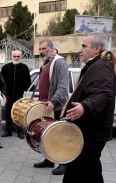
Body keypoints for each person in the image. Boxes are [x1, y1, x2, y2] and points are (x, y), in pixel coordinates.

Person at [44, 32, 116, 183]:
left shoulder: (101, 66)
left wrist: (85, 106)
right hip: (93, 132)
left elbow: (104, 93)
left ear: (96, 48)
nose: (80, 49)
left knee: (74, 176)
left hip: (90, 133)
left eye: (84, 46)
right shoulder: (98, 65)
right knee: (93, 175)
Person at [33, 39, 69, 175]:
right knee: (47, 135)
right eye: (40, 49)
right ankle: (49, 160)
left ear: (51, 48)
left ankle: (63, 163)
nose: (41, 51)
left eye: (43, 49)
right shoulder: (46, 64)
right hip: (46, 106)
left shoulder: (60, 63)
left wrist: (53, 101)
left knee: (60, 135)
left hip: (57, 106)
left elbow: (63, 87)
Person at [1, 50, 31, 139]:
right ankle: (8, 130)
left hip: (19, 95)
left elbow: (28, 81)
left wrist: (23, 89)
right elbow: (1, 81)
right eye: (15, 56)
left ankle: (20, 131)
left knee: (19, 113)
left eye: (18, 56)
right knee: (8, 113)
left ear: (20, 57)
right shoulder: (5, 68)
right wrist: (4, 92)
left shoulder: (24, 67)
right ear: (11, 57)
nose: (16, 58)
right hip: (8, 95)